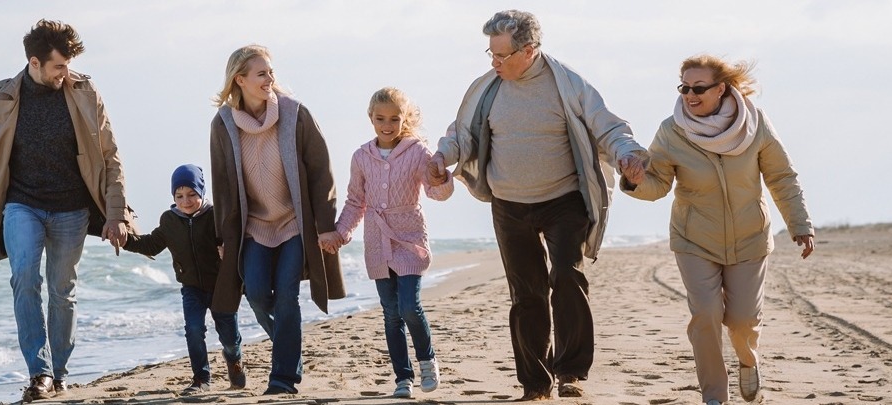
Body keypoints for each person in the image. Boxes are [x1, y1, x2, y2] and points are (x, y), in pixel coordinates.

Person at [430, 10, 650, 400]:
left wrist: (628, 154)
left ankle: (572, 373)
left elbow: (609, 128)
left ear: (528, 51)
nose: (494, 63)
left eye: (502, 56)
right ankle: (535, 384)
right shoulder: (487, 88)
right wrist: (440, 158)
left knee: (566, 277)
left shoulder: (567, 84)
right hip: (509, 204)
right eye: (490, 54)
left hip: (564, 200)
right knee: (526, 293)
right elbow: (461, 134)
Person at [0, 19, 136, 401]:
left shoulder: (85, 92)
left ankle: (59, 372)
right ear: (34, 63)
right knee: (24, 278)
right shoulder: (1, 99)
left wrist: (117, 213)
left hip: (72, 208)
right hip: (21, 205)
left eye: (67, 65)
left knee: (62, 289)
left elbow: (110, 156)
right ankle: (39, 372)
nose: (65, 74)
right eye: (58, 67)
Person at [622, 54, 816, 405]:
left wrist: (799, 224)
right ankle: (714, 397)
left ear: (722, 88)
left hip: (750, 237)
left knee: (742, 321)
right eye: (684, 88)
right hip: (694, 239)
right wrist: (634, 182)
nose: (690, 96)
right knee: (706, 315)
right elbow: (658, 184)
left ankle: (748, 360)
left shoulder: (755, 124)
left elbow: (781, 177)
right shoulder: (672, 130)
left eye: (699, 88)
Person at [205, 44, 345, 395]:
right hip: (254, 227)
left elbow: (321, 172)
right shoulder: (223, 124)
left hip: (295, 224)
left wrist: (325, 224)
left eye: (271, 72)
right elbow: (222, 185)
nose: (270, 79)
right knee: (253, 291)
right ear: (240, 79)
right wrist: (223, 236)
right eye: (262, 73)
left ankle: (282, 378)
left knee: (286, 295)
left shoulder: (295, 114)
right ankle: (288, 341)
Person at [334, 87, 454, 399]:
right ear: (370, 118)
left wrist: (441, 179)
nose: (387, 125)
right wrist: (340, 233)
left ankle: (427, 361)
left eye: (394, 118)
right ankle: (404, 378)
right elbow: (355, 202)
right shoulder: (361, 157)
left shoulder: (417, 152)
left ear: (405, 119)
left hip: (409, 237)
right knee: (391, 313)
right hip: (376, 240)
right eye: (380, 118)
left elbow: (435, 192)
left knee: (409, 306)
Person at [121, 164, 245, 395]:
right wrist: (125, 240)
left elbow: (234, 241)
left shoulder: (216, 216)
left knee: (228, 337)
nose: (185, 201)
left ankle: (234, 359)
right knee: (194, 329)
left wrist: (228, 248)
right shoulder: (169, 220)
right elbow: (150, 244)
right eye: (179, 196)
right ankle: (201, 378)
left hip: (222, 287)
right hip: (192, 288)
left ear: (202, 193)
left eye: (192, 195)